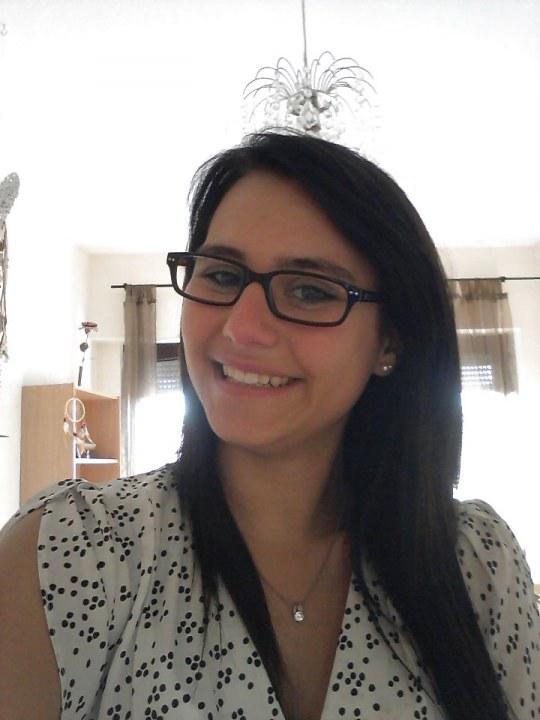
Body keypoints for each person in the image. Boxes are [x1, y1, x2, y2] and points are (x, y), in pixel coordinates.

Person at [0, 132, 538, 720]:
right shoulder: (71, 552)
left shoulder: (480, 563)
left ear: (390, 341)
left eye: (309, 290)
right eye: (222, 277)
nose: (242, 328)